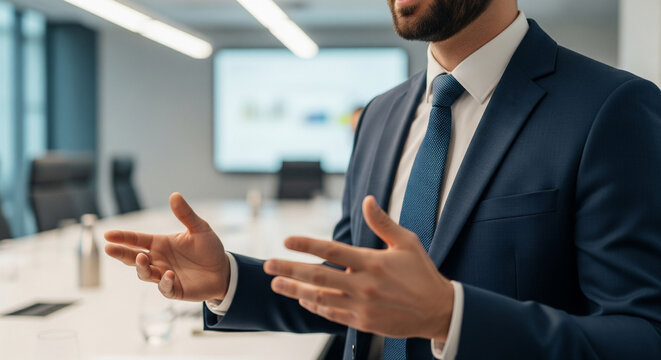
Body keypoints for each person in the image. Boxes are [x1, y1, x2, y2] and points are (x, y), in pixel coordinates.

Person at [105, 0, 661, 359]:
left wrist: (451, 315)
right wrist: (228, 279)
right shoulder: (380, 116)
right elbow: (351, 288)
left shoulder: (610, 109)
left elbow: (642, 336)